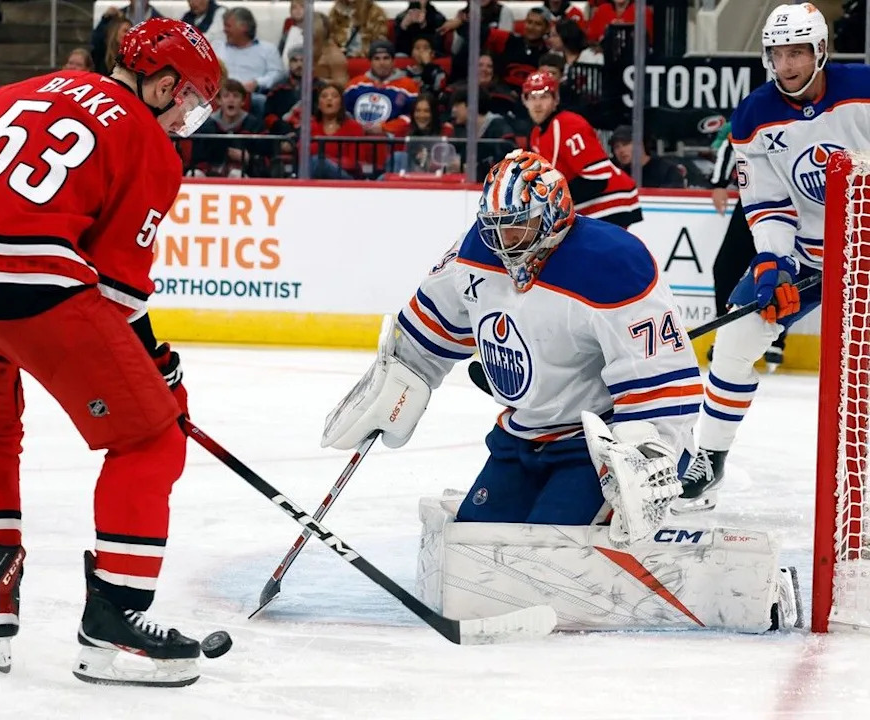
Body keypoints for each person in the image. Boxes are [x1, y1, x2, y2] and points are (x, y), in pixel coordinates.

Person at [319, 150, 800, 631]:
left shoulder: (613, 265)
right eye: (494, 226)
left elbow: (662, 385)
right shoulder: (478, 252)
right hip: (518, 437)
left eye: (516, 227)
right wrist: (394, 385)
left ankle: (736, 585)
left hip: (591, 446)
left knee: (548, 559)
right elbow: (428, 331)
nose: (501, 242)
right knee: (476, 554)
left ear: (552, 218)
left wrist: (641, 459)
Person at [0, 18, 220, 685]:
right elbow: (114, 292)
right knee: (151, 440)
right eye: (189, 100)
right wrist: (157, 369)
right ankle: (114, 623)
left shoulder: (45, 84)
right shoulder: (150, 146)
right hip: (29, 288)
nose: (185, 117)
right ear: (162, 83)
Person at [676, 3, 860, 512]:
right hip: (809, 257)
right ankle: (709, 457)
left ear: (820, 51)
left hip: (865, 252)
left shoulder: (864, 91)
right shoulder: (755, 116)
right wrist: (773, 263)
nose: (788, 65)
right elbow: (768, 203)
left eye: (798, 51)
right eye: (778, 53)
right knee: (735, 340)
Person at [705, 123, 786, 370]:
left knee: (781, 267)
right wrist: (719, 183)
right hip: (753, 200)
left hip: (791, 205)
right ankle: (725, 333)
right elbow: (733, 137)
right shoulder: (759, 109)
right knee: (726, 268)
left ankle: (776, 338)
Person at [524, 70, 641, 228]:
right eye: (532, 97)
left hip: (612, 199)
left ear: (556, 99)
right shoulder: (536, 134)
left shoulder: (569, 125)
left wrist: (555, 200)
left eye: (544, 96)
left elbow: (598, 179)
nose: (537, 104)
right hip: (587, 204)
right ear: (525, 101)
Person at [609, 124, 684, 189]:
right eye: (616, 147)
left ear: (640, 144)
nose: (621, 150)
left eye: (626, 144)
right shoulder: (615, 175)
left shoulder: (667, 171)